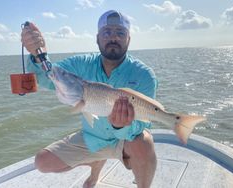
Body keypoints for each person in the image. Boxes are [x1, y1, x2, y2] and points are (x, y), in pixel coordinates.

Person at [21, 10, 157, 188]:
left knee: (144, 143)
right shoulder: (81, 63)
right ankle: (95, 162)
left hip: (125, 140)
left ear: (129, 39)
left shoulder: (145, 75)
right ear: (97, 38)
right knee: (42, 162)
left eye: (120, 33)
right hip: (92, 138)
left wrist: (120, 126)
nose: (113, 38)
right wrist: (38, 55)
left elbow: (142, 125)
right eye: (107, 32)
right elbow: (49, 75)